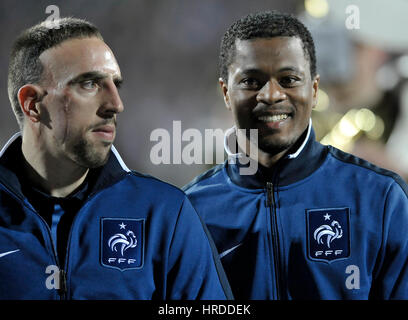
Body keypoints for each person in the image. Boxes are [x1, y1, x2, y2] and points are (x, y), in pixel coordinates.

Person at [0, 17, 232, 300]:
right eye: (89, 84)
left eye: (115, 84)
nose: (116, 104)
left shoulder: (164, 213)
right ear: (32, 104)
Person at [183, 11, 408, 299]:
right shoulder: (187, 213)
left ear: (314, 89)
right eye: (252, 81)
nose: (271, 95)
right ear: (226, 92)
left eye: (289, 79)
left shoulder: (382, 197)